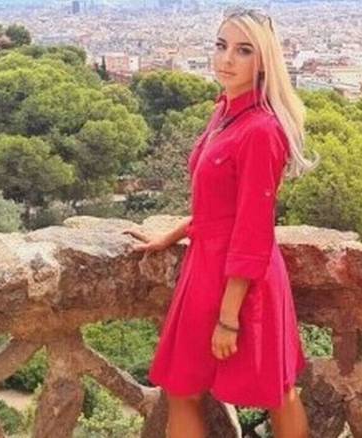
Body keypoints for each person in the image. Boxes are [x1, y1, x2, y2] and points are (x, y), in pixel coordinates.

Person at [125, 6, 319, 438]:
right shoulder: (225, 112)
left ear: (264, 62)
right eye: (221, 45)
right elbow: (216, 206)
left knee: (277, 391)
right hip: (205, 268)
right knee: (182, 387)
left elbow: (252, 227)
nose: (227, 59)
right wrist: (170, 236)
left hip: (243, 280)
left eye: (243, 50)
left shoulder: (261, 130)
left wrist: (229, 318)